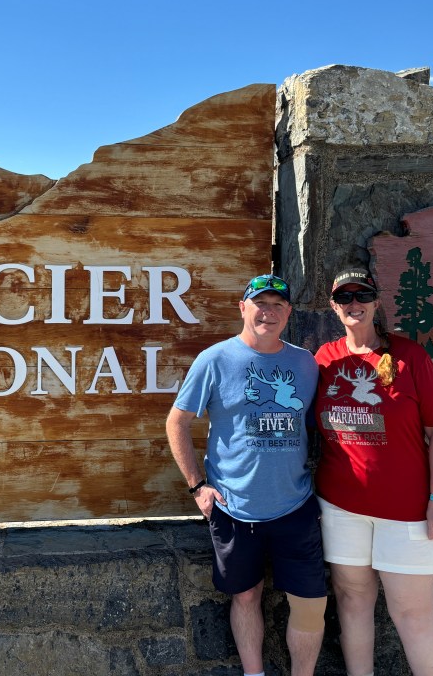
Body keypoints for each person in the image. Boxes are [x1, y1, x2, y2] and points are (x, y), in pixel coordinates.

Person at [166, 273, 327, 676]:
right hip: (234, 507)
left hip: (296, 505)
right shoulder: (215, 360)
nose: (268, 313)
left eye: (277, 305)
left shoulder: (305, 364)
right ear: (243, 308)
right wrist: (197, 487)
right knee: (245, 596)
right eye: (260, 303)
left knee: (309, 601)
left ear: (288, 312)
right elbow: (177, 422)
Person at [314, 267, 433, 676]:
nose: (353, 304)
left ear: (377, 303)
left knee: (413, 615)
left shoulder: (410, 357)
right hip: (341, 507)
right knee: (353, 604)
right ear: (334, 306)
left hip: (408, 511)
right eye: (344, 298)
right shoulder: (324, 360)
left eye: (362, 295)